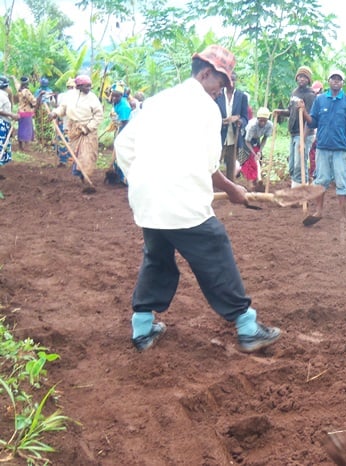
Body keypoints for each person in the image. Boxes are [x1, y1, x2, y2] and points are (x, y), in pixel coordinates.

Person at [114, 44, 281, 354]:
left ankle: (142, 328)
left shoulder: (156, 101)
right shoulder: (205, 106)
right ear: (206, 74)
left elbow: (123, 146)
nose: (221, 91)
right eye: (221, 83)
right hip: (182, 201)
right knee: (214, 250)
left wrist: (139, 179)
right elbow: (208, 165)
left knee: (158, 257)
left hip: (147, 200)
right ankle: (246, 327)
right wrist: (233, 189)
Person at [298, 69, 346, 225]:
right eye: (333, 78)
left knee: (342, 182)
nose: (336, 81)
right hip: (322, 148)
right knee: (321, 180)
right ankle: (319, 211)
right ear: (329, 81)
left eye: (339, 79)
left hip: (340, 149)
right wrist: (304, 111)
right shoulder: (320, 100)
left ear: (342, 83)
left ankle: (343, 216)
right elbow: (312, 122)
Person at [49, 74, 103, 192]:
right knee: (77, 154)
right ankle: (80, 177)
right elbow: (62, 108)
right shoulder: (70, 96)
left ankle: (86, 177)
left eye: (90, 86)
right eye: (86, 86)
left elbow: (99, 116)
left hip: (88, 131)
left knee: (87, 155)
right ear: (78, 86)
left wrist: (88, 128)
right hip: (74, 130)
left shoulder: (93, 98)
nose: (88, 88)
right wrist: (54, 113)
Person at [274, 66, 317, 188]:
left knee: (300, 164)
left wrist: (303, 138)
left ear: (309, 80)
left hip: (304, 133)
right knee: (292, 165)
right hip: (293, 133)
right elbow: (290, 111)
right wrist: (281, 112)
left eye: (305, 77)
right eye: (300, 76)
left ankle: (301, 191)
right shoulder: (295, 92)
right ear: (296, 78)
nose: (302, 79)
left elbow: (310, 118)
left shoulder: (310, 95)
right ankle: (297, 188)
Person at [215, 71, 249, 181]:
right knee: (214, 163)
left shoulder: (242, 97)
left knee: (231, 166)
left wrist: (239, 120)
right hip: (219, 137)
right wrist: (221, 121)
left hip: (234, 138)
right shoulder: (218, 94)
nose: (231, 82)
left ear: (236, 81)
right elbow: (212, 115)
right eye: (229, 79)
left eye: (233, 79)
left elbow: (245, 118)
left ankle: (230, 192)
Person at [241, 106, 273, 191]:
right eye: (260, 120)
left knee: (258, 159)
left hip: (256, 138)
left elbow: (265, 138)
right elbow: (247, 141)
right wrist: (253, 153)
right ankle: (250, 183)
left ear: (267, 120)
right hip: (245, 138)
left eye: (264, 121)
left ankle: (257, 181)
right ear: (257, 118)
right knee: (248, 161)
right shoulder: (252, 126)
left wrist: (259, 151)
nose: (262, 123)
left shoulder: (269, 125)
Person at [54, 79, 76, 167]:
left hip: (63, 122)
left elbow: (58, 108)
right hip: (73, 123)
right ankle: (71, 159)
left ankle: (63, 160)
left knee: (63, 141)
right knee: (72, 141)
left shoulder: (62, 96)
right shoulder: (78, 96)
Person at [0, 76, 19, 167]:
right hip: (2, 123)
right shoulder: (1, 96)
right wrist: (12, 115)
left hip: (5, 123)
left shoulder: (4, 95)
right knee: (1, 146)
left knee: (4, 146)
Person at [308, 80, 324, 180]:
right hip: (314, 130)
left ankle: (315, 174)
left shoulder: (320, 99)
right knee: (314, 154)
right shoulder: (314, 99)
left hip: (317, 131)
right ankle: (315, 173)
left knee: (315, 154)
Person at [17, 77, 37, 151]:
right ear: (27, 83)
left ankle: (20, 146)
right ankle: (26, 147)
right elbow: (32, 100)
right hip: (27, 111)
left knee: (21, 128)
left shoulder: (19, 91)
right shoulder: (26, 91)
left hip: (20, 111)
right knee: (27, 129)